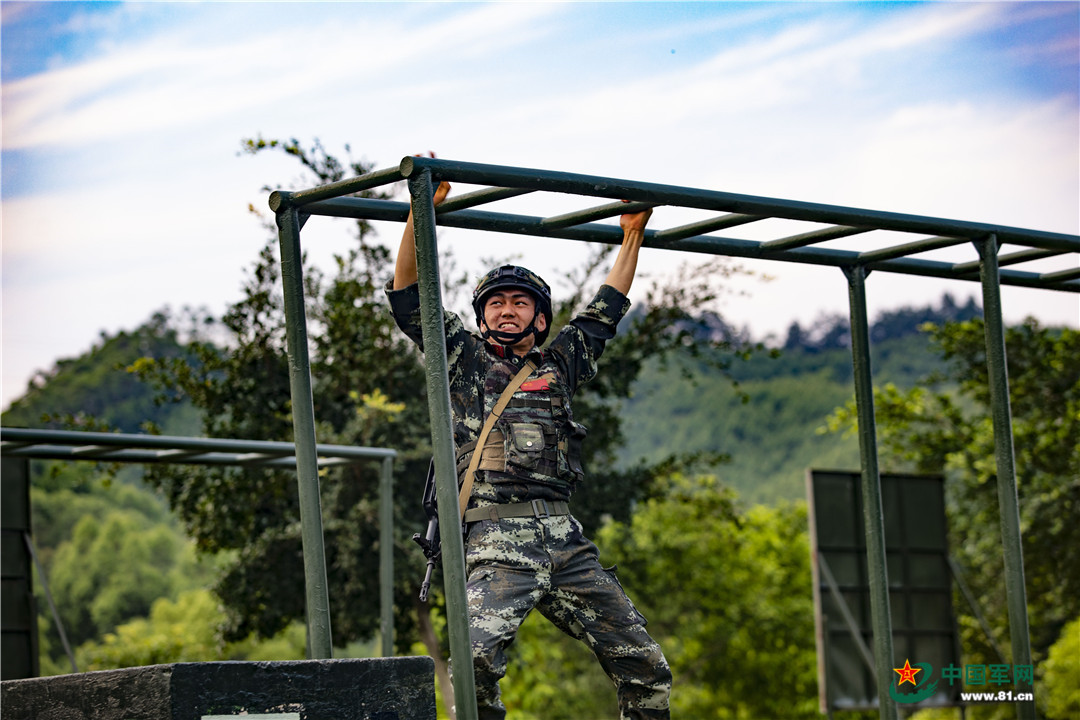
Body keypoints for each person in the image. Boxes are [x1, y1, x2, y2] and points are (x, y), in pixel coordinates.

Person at [386, 177, 672, 720]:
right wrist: (420, 213)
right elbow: (408, 297)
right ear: (482, 317)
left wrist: (632, 234)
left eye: (520, 303)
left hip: (565, 539)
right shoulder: (462, 360)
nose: (506, 311)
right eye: (495, 303)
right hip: (496, 540)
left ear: (539, 319)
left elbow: (605, 310)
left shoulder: (559, 364)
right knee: (473, 662)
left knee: (645, 665)